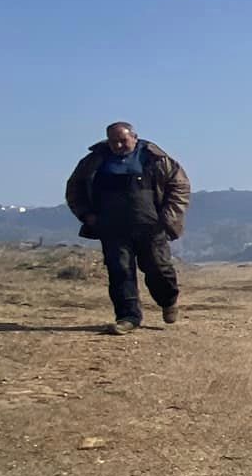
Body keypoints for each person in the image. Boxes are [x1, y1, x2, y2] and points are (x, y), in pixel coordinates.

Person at [65, 122, 191, 334]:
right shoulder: (94, 161)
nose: (118, 145)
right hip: (111, 227)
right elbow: (74, 188)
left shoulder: (155, 158)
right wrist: (87, 215)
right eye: (113, 141)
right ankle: (128, 317)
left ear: (134, 137)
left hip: (151, 226)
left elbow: (180, 186)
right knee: (120, 271)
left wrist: (168, 217)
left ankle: (168, 301)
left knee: (158, 268)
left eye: (123, 140)